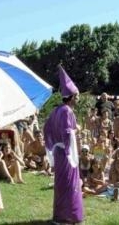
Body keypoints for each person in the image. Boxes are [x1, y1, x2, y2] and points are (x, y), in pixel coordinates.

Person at [43, 66, 83, 224]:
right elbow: (67, 132)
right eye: (77, 96)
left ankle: (60, 216)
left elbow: (46, 128)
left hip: (59, 151)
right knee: (69, 183)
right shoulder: (67, 111)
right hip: (66, 153)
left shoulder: (56, 110)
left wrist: (53, 144)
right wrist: (76, 130)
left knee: (61, 183)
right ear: (72, 97)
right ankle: (69, 216)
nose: (78, 99)